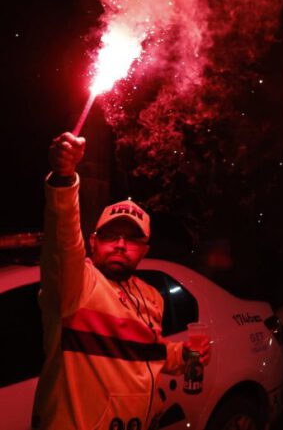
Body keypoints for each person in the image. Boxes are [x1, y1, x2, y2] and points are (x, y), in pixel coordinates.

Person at [33, 132, 211, 430]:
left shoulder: (151, 295)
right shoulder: (76, 287)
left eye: (131, 239)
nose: (119, 244)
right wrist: (64, 181)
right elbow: (62, 245)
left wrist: (183, 354)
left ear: (144, 251)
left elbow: (148, 350)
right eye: (109, 235)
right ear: (93, 242)